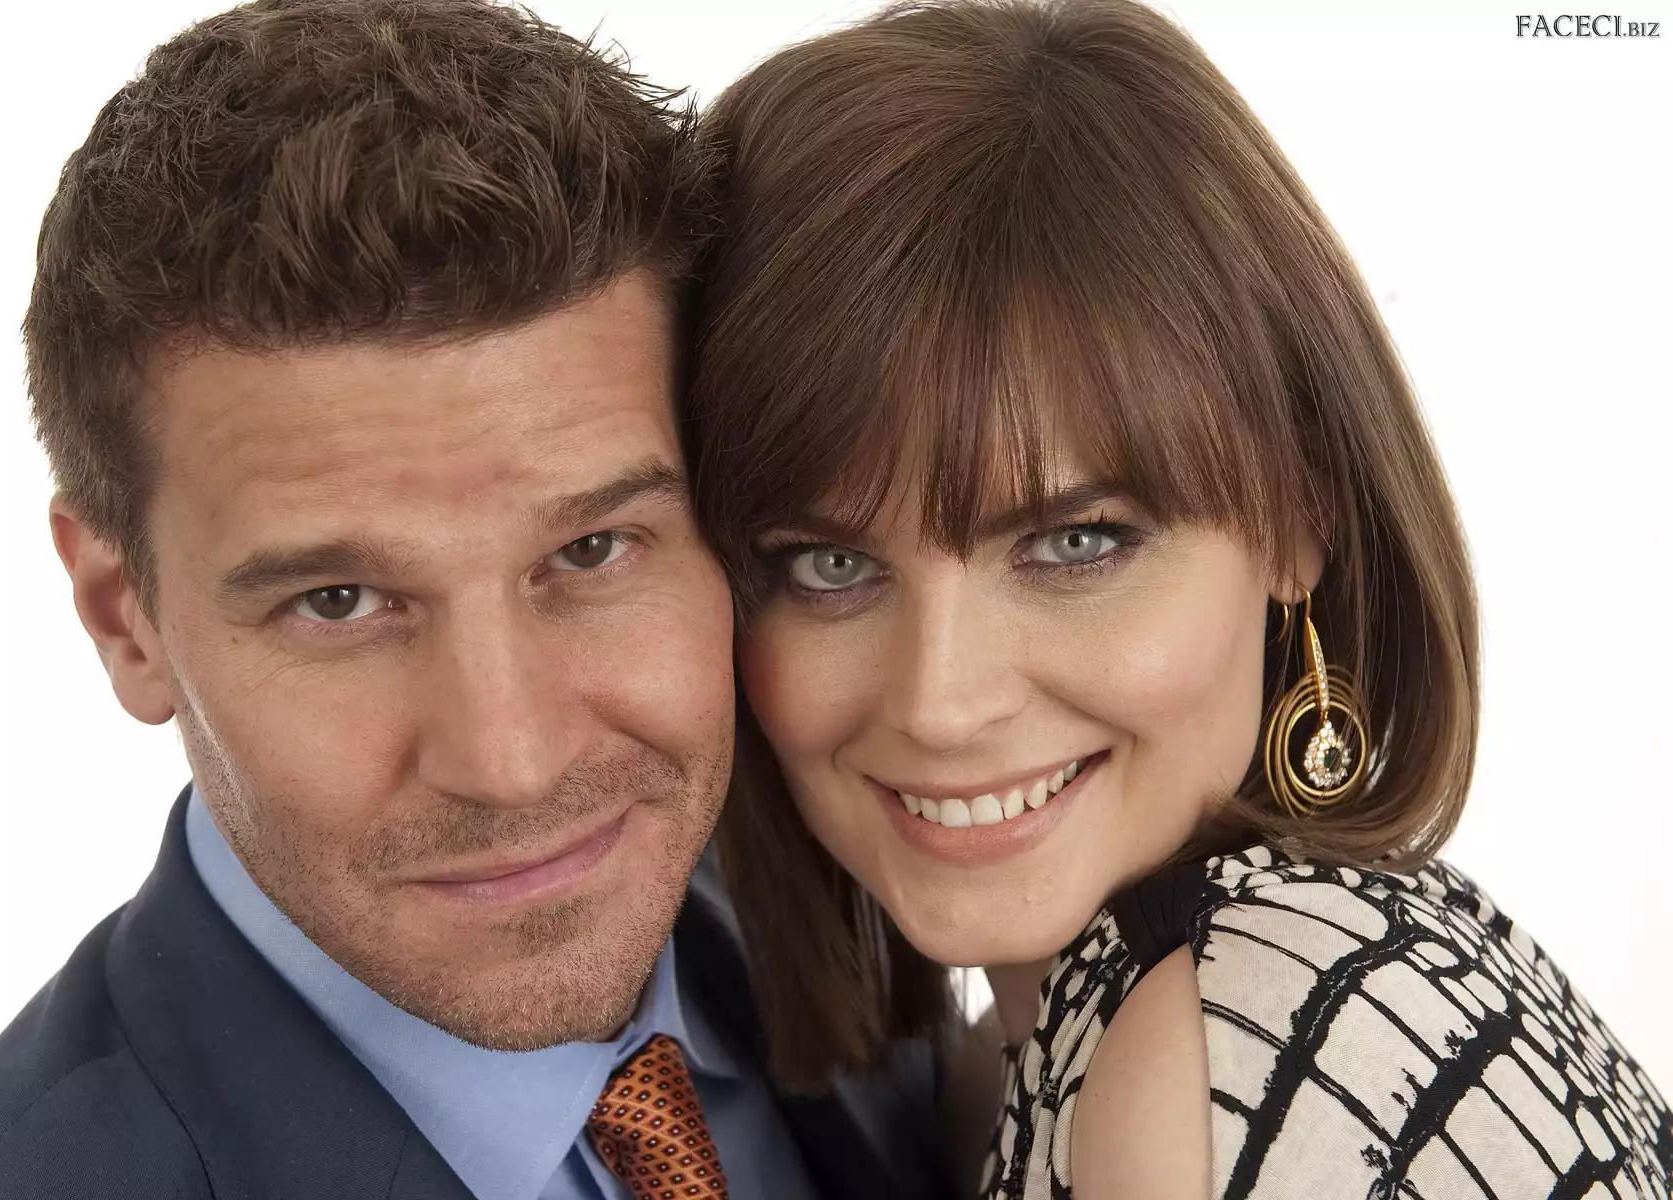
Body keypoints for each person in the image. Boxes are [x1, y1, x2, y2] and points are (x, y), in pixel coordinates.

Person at [0, 2, 945, 1198]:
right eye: (339, 601)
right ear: (122, 617)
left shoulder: (869, 941)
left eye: (591, 550)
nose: (511, 763)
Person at [683, 0, 1673, 1197]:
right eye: (827, 566)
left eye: (1076, 543)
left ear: (1300, 517)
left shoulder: (1206, 1059)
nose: (939, 701)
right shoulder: (1044, 1057)